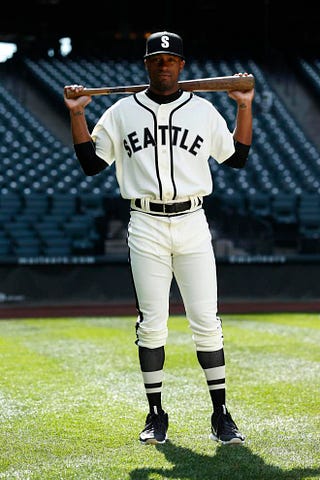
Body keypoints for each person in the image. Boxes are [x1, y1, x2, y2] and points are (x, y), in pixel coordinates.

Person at [64, 30, 254, 446]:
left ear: (181, 65)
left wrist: (244, 107)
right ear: (146, 64)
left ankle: (221, 413)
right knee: (152, 325)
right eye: (156, 59)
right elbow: (91, 164)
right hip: (145, 223)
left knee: (207, 321)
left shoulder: (203, 110)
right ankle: (155, 414)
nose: (164, 64)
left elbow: (237, 158)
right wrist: (78, 113)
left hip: (192, 221)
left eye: (171, 59)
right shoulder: (119, 112)